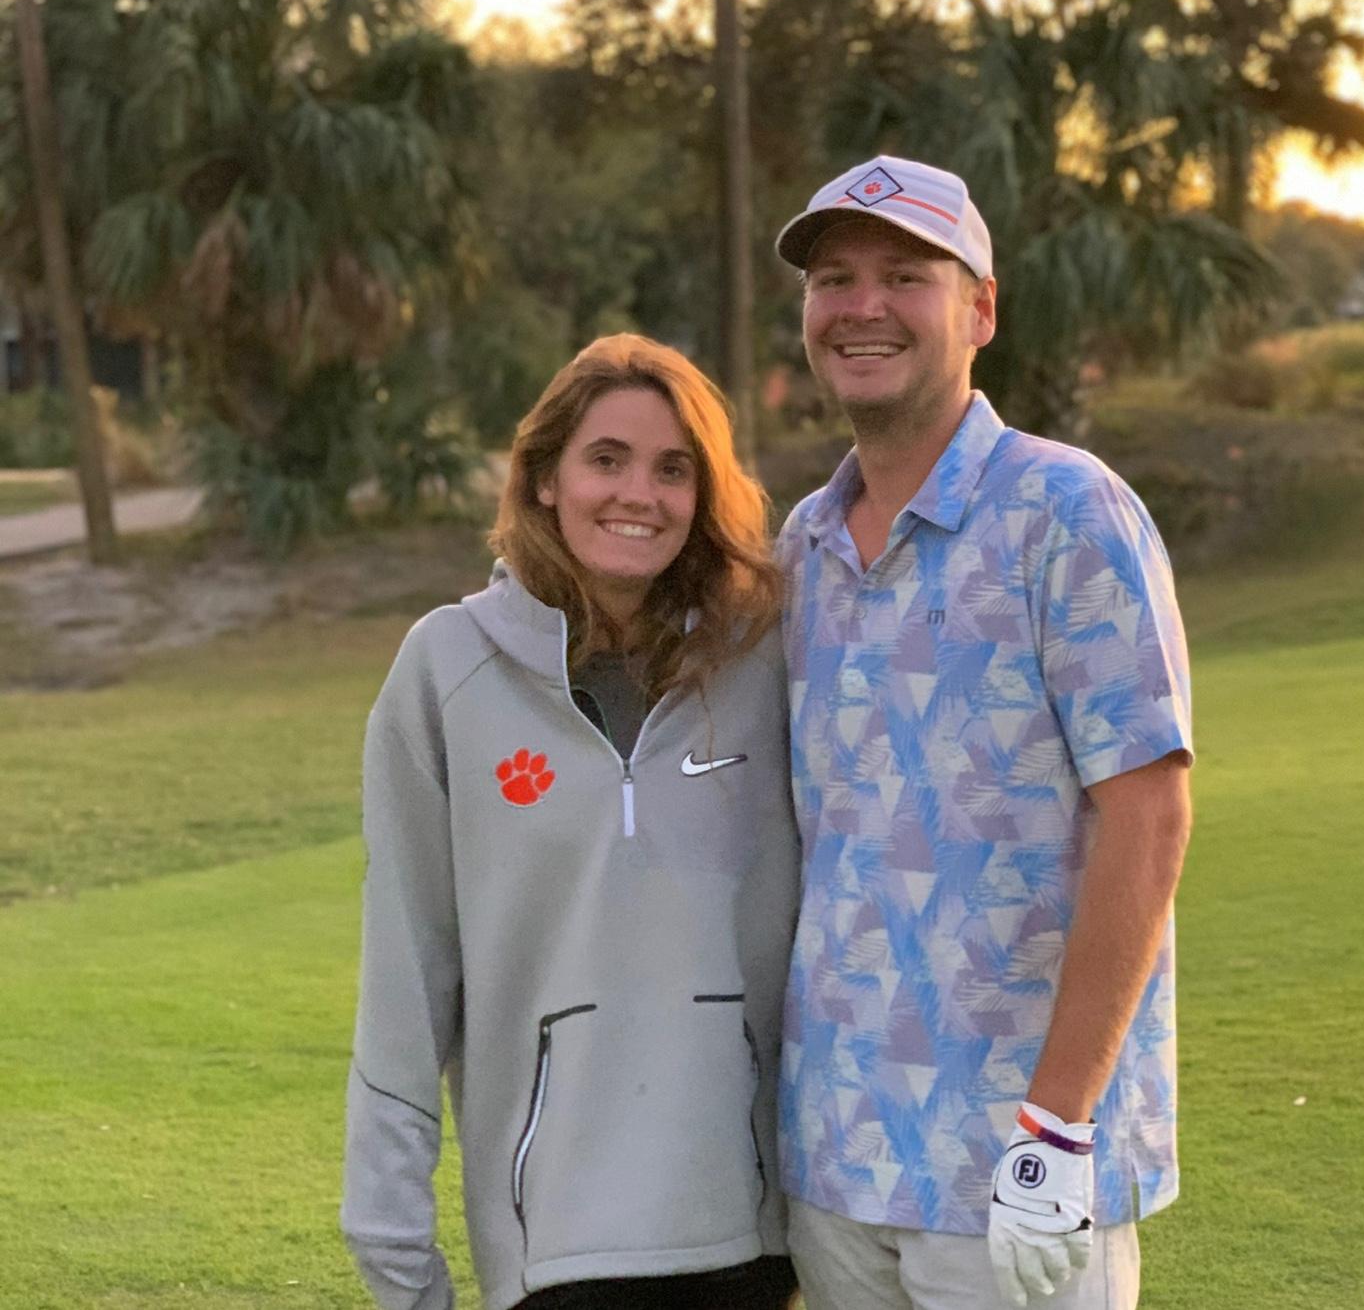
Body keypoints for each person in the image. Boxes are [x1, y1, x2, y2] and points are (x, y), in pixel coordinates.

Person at [771, 157, 1194, 1310]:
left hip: (1016, 1172)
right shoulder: (801, 547)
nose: (862, 306)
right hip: (838, 1160)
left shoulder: (1067, 510)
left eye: (906, 275)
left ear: (981, 311)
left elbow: (1149, 816)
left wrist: (1056, 1129)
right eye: (835, 279)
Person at [341, 334, 801, 1310]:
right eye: (607, 459)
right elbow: (406, 969)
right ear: (545, 477)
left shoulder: (764, 663)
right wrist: (390, 1240)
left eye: (673, 469)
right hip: (553, 1253)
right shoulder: (447, 669)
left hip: (750, 1239)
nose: (641, 494)